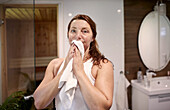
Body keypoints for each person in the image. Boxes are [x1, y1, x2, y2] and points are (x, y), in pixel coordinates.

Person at [33, 14, 114, 110]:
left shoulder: (102, 65)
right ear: (68, 35)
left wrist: (79, 71)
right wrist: (64, 68)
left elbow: (102, 107)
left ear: (93, 37)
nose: (78, 36)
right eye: (73, 31)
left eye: (84, 31)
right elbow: (38, 102)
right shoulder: (55, 65)